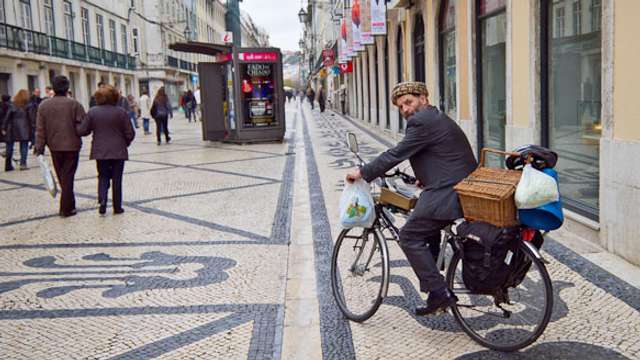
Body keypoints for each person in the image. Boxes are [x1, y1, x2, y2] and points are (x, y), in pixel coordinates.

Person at [345, 81, 477, 315]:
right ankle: (437, 267)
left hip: (449, 192)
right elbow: (441, 152)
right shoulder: (435, 117)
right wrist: (424, 177)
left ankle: (439, 294)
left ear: (423, 98)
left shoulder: (422, 121)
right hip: (458, 185)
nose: (405, 109)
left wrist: (363, 173)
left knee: (409, 236)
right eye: (400, 106)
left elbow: (397, 153)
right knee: (426, 225)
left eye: (408, 102)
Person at [77, 85, 135, 215]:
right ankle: (117, 206)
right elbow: (130, 133)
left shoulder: (92, 112)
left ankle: (102, 200)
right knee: (117, 179)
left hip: (100, 151)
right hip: (118, 151)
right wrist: (125, 143)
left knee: (102, 176)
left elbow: (83, 131)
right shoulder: (121, 112)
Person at [35, 76, 87, 217]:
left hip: (54, 146)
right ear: (67, 88)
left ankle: (69, 206)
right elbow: (83, 126)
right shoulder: (74, 104)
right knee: (68, 177)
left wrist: (39, 147)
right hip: (72, 146)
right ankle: (66, 208)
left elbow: (40, 129)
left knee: (63, 177)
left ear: (53, 87)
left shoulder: (44, 105)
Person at [2, 89, 36, 171]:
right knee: (24, 146)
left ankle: (8, 164)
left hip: (12, 128)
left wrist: (4, 127)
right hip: (24, 127)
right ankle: (23, 164)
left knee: (9, 146)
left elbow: (7, 117)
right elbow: (31, 119)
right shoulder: (28, 105)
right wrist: (33, 129)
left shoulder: (13, 105)